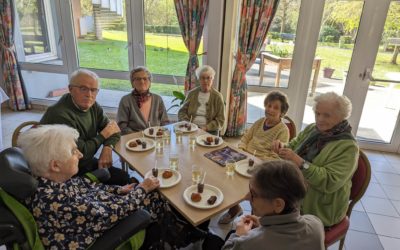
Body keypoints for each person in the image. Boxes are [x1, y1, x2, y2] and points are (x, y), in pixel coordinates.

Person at [18, 124, 164, 249]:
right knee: (154, 199)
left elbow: (84, 185)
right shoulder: (57, 201)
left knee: (146, 191)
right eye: (73, 151)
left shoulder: (51, 180)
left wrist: (119, 189)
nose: (80, 155)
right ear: (55, 165)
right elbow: (112, 212)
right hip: (96, 235)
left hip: (95, 212)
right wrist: (142, 189)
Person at [273, 92, 359, 227]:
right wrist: (282, 147)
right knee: (262, 197)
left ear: (341, 116)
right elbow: (294, 146)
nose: (319, 119)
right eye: (317, 113)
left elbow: (329, 182)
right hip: (296, 189)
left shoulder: (348, 147)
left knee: (270, 210)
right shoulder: (313, 129)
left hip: (319, 207)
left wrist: (300, 162)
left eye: (326, 115)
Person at [40, 69, 130, 185]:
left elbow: (113, 130)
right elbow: (82, 154)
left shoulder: (93, 106)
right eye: (83, 88)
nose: (89, 94)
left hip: (81, 163)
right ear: (71, 89)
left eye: (94, 90)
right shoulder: (60, 115)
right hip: (62, 172)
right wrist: (103, 136)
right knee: (123, 181)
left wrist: (108, 148)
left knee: (125, 178)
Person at [218, 91, 290, 224]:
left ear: (282, 112)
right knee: (224, 173)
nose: (270, 110)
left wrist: (257, 160)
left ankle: (253, 219)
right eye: (268, 106)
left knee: (244, 185)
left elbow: (276, 158)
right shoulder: (259, 122)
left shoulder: (283, 130)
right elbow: (245, 138)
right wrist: (241, 150)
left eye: (275, 107)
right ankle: (234, 208)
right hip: (245, 157)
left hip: (261, 165)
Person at [218, 161, 324, 249]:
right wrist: (263, 225)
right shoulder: (316, 224)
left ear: (278, 204)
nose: (247, 197)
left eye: (254, 194)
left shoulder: (250, 243)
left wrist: (238, 234)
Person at [117, 66, 169, 134]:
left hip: (156, 138)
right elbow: (122, 126)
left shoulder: (158, 99)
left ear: (150, 82)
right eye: (138, 79)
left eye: (145, 78)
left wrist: (160, 134)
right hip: (134, 140)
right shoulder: (125, 100)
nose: (142, 81)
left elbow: (165, 122)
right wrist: (139, 136)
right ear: (132, 83)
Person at [178, 65, 225, 134]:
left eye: (208, 78)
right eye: (202, 78)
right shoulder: (191, 94)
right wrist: (188, 123)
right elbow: (182, 112)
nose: (205, 81)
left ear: (212, 79)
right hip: (190, 128)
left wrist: (206, 127)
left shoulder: (217, 96)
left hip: (209, 131)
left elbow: (221, 119)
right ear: (199, 79)